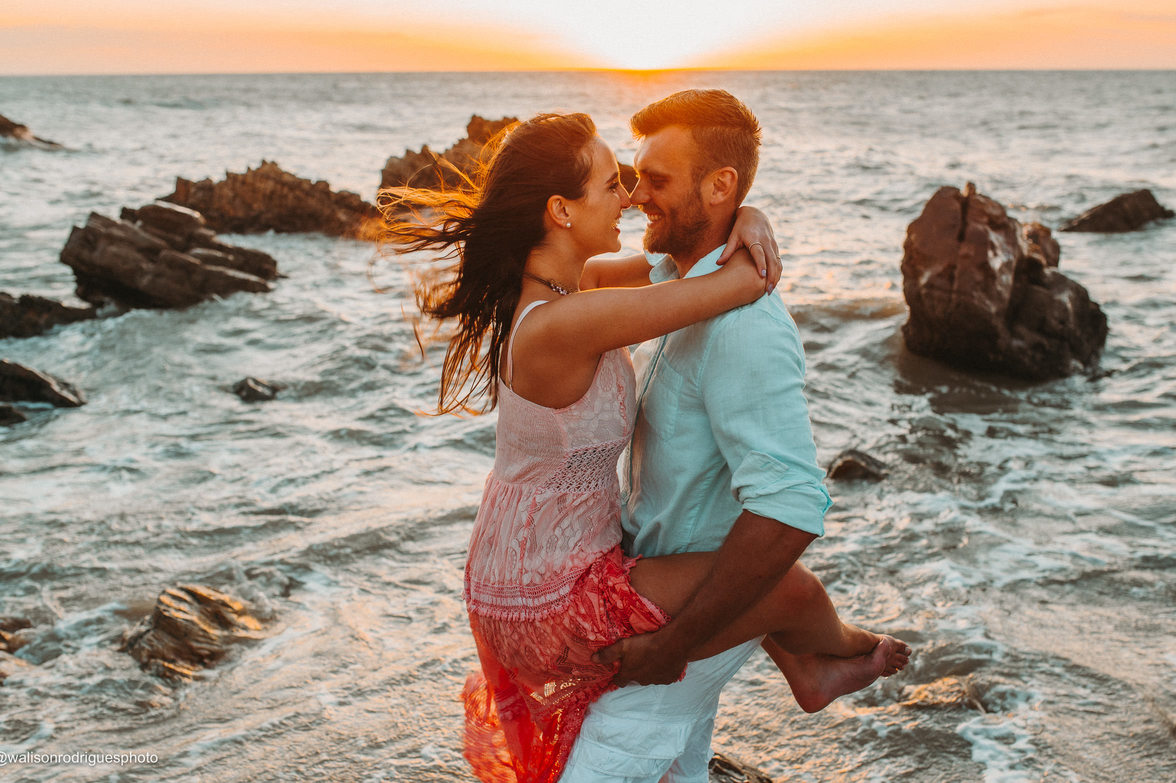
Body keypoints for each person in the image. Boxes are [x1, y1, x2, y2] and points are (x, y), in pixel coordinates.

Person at [378, 109, 909, 783]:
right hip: (543, 589)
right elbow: (734, 284)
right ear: (561, 211)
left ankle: (807, 662)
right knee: (791, 590)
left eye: (636, 181)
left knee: (768, 591)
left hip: (524, 567)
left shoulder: (581, 291)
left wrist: (745, 211)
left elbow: (677, 268)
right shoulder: (563, 324)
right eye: (612, 185)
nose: (628, 196)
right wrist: (746, 222)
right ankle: (820, 657)